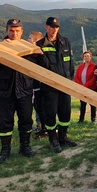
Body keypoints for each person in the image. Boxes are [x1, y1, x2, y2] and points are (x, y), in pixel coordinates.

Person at [0, 19, 36, 162]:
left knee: (26, 119)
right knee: (5, 122)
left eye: (17, 31)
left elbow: (37, 64)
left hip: (24, 89)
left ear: (22, 32)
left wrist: (34, 50)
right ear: (6, 31)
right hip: (5, 90)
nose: (14, 33)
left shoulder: (28, 47)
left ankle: (25, 146)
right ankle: (5, 150)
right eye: (11, 30)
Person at [33, 17, 75, 153]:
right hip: (49, 87)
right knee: (50, 114)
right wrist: (40, 55)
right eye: (51, 27)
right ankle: (53, 140)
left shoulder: (65, 42)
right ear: (46, 27)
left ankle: (63, 137)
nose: (54, 29)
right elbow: (41, 67)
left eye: (56, 27)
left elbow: (70, 64)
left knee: (65, 113)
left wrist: (70, 80)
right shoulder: (40, 45)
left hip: (65, 85)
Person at [74, 51, 97, 123]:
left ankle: (93, 119)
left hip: (91, 88)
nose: (86, 57)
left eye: (88, 56)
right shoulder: (80, 67)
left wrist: (86, 85)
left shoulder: (94, 66)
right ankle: (81, 119)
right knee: (82, 104)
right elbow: (76, 77)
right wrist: (81, 86)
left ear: (90, 57)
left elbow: (94, 78)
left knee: (92, 104)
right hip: (82, 89)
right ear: (83, 58)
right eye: (85, 56)